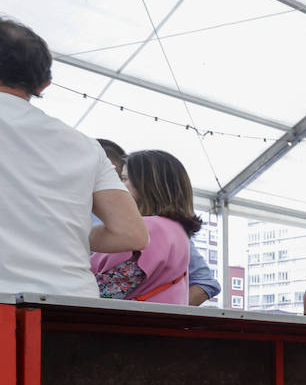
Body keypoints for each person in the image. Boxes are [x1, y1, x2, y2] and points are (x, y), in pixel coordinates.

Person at [0, 19, 146, 296]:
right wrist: (68, 235)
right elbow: (132, 233)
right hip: (69, 306)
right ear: (44, 84)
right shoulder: (87, 146)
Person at [99, 139, 221, 306]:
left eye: (124, 179)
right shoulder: (175, 230)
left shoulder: (149, 228)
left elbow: (106, 290)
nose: (119, 186)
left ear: (146, 185)